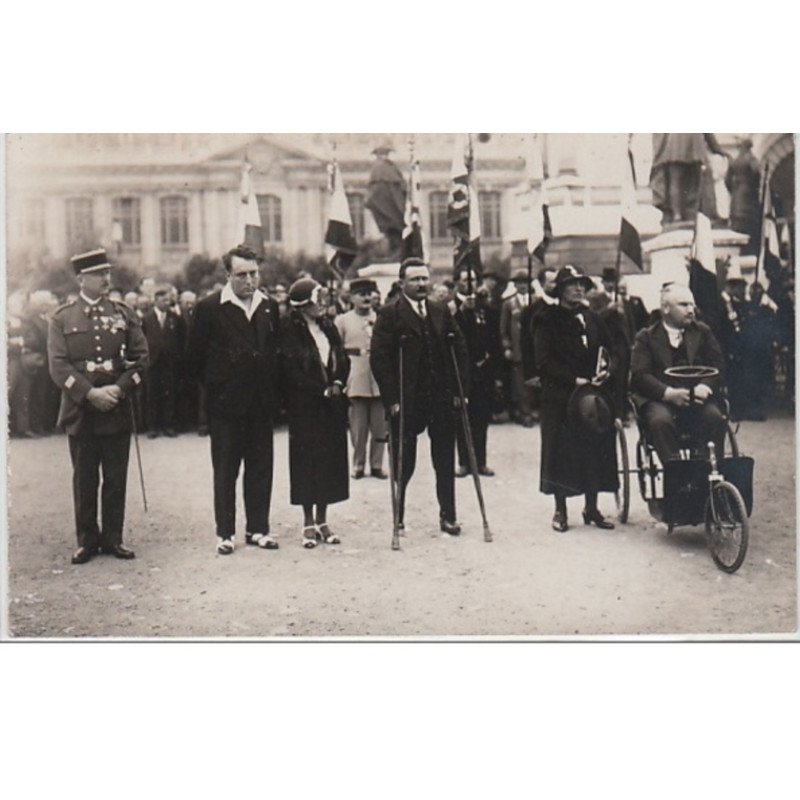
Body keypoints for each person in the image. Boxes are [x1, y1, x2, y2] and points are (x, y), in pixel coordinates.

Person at [47, 248, 149, 564]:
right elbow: (58, 366)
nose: (105, 278)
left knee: (116, 477)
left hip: (116, 409)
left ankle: (114, 538)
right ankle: (87, 540)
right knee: (85, 477)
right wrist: (90, 394)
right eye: (97, 274)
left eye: (107, 272)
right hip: (82, 411)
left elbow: (141, 358)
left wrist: (118, 390)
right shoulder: (62, 317)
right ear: (81, 279)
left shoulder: (124, 313)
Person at [185, 244, 281, 555]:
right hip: (226, 405)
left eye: (254, 274)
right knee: (226, 469)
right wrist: (218, 390)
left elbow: (273, 350)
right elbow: (193, 359)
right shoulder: (210, 308)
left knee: (261, 467)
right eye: (242, 275)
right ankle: (225, 532)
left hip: (261, 403)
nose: (250, 281)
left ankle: (258, 528)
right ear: (228, 275)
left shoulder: (269, 307)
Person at [370, 257, 469, 536]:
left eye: (425, 278)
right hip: (407, 398)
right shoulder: (390, 313)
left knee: (444, 460)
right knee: (405, 461)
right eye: (415, 279)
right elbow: (379, 359)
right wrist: (392, 400)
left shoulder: (441, 310)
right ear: (402, 283)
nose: (422, 284)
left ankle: (448, 516)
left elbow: (459, 349)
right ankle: (398, 516)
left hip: (440, 397)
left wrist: (462, 392)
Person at [533, 265, 618, 532]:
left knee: (595, 444)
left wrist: (606, 371)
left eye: (582, 283)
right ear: (560, 288)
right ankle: (560, 510)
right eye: (572, 284)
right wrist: (573, 380)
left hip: (592, 395)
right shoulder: (546, 318)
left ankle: (591, 508)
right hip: (561, 396)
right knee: (561, 450)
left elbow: (610, 350)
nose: (579, 289)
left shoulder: (592, 318)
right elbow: (543, 361)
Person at [281, 278, 350, 548]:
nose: (322, 304)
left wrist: (337, 383)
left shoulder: (329, 327)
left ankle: (323, 520)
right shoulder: (289, 330)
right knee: (307, 462)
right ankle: (308, 522)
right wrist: (317, 390)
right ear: (302, 305)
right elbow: (290, 370)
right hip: (305, 407)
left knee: (329, 462)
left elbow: (342, 360)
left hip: (331, 406)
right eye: (316, 299)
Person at [630, 283, 727, 464]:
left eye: (692, 305)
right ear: (665, 308)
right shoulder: (646, 337)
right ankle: (677, 475)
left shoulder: (702, 332)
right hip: (661, 400)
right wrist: (668, 394)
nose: (691, 310)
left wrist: (705, 387)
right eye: (684, 305)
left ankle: (707, 472)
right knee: (660, 422)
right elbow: (639, 375)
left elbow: (719, 366)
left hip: (699, 399)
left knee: (714, 417)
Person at [334, 277, 388, 480]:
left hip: (378, 376)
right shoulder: (343, 320)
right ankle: (358, 464)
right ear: (352, 298)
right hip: (355, 374)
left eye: (369, 294)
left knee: (379, 426)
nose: (366, 298)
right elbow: (336, 350)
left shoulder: (381, 318)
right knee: (358, 427)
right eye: (361, 294)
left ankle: (376, 465)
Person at [454, 273, 502, 476]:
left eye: (473, 280)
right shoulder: (452, 307)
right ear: (458, 282)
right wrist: (463, 311)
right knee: (462, 417)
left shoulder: (485, 308)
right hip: (463, 372)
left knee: (482, 419)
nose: (469, 284)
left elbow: (495, 338)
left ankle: (480, 461)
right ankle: (464, 461)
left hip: (484, 371)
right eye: (465, 280)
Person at [649, 133, 729, 224]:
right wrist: (718, 149)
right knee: (692, 183)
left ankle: (677, 215)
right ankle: (690, 213)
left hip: (674, 146)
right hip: (694, 144)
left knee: (676, 181)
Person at [142, 286, 184, 438]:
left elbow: (181, 339)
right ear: (156, 300)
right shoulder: (146, 319)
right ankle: (152, 427)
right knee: (151, 394)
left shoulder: (175, 318)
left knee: (169, 393)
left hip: (170, 363)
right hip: (152, 363)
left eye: (169, 299)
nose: (168, 303)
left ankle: (169, 425)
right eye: (164, 300)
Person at [500, 268, 536, 426]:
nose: (522, 286)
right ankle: (524, 412)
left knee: (533, 381)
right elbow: (503, 328)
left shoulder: (535, 301)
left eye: (525, 283)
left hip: (534, 349)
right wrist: (507, 346)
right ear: (514, 285)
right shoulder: (509, 303)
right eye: (519, 283)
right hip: (518, 349)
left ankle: (533, 410)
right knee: (519, 383)